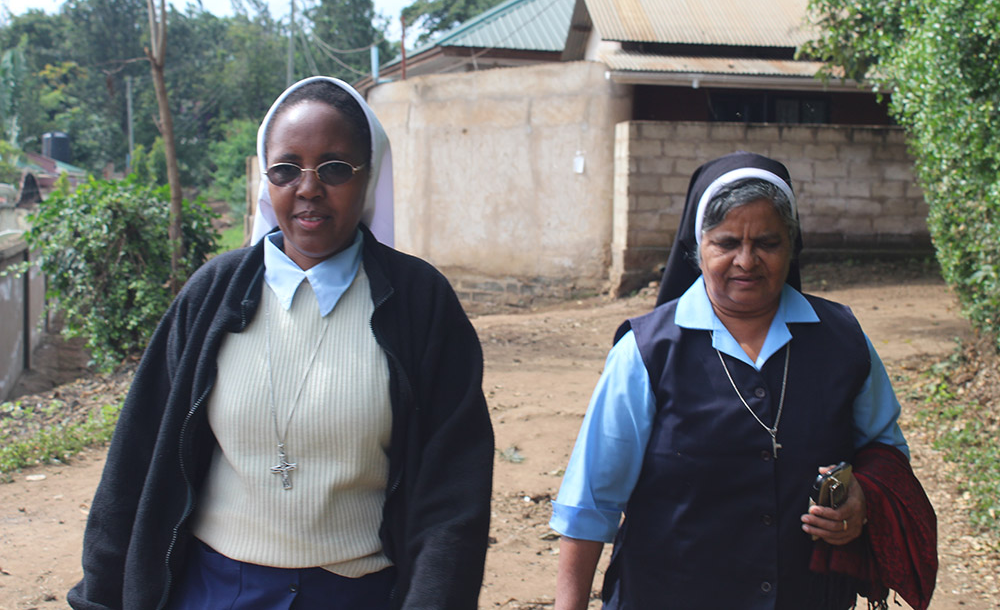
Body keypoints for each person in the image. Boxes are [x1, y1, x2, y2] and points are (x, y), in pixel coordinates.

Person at [68, 76, 493, 610]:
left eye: (335, 168)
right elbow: (133, 463)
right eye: (286, 168)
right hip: (214, 591)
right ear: (265, 180)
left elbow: (454, 494)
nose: (308, 188)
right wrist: (101, 597)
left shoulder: (421, 304)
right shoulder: (211, 295)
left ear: (370, 176)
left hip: (360, 594)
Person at [550, 152, 936, 609]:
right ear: (698, 247)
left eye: (767, 243)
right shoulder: (647, 351)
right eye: (727, 242)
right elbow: (591, 501)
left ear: (791, 245)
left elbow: (886, 450)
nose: (746, 261)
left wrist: (862, 503)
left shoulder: (841, 340)